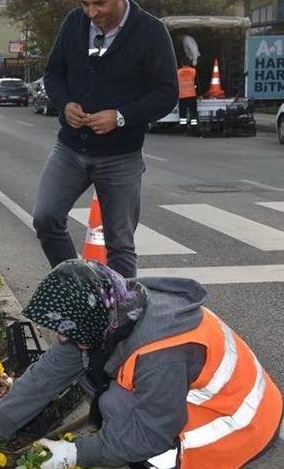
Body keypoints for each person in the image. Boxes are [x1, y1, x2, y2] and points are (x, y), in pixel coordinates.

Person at [0, 260, 283, 469]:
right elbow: (46, 375)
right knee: (105, 394)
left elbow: (153, 429)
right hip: (196, 395)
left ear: (93, 324)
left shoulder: (161, 351)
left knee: (119, 409)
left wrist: (77, 453)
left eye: (67, 331)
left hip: (237, 421)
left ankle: (168, 468)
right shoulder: (113, 307)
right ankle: (135, 450)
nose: (61, 337)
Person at [33, 0, 179, 279]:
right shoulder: (74, 23)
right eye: (85, 4)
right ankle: (80, 292)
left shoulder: (151, 31)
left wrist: (121, 116)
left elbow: (167, 92)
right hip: (70, 148)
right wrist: (64, 104)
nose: (91, 12)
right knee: (46, 218)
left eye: (99, 4)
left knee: (120, 246)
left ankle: (121, 318)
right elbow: (53, 74)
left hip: (121, 155)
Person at [177, 60, 198, 133]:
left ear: (182, 63)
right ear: (189, 63)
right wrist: (199, 94)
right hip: (192, 95)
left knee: (183, 113)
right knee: (193, 112)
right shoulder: (193, 71)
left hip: (182, 96)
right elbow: (197, 83)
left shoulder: (178, 72)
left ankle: (183, 127)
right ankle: (194, 127)